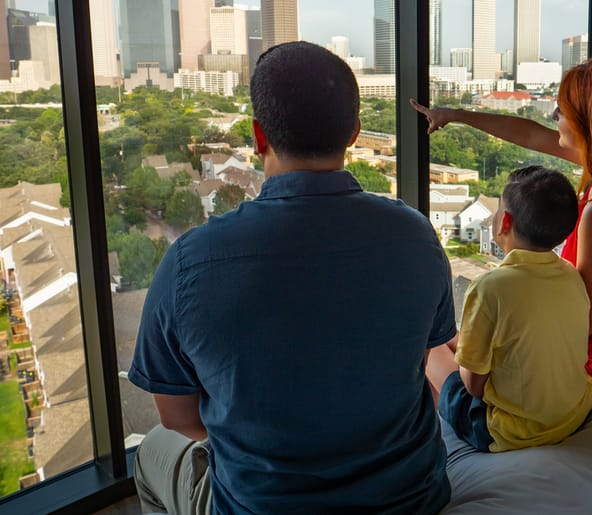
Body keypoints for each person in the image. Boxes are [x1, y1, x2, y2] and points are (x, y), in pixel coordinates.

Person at [129, 41, 456, 514]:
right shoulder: (417, 237)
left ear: (259, 136)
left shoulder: (189, 263)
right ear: (355, 134)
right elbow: (424, 354)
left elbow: (178, 418)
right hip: (410, 502)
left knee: (151, 454)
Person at [411, 58, 592, 400]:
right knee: (460, 338)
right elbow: (529, 134)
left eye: (561, 111)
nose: (553, 117)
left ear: (589, 124)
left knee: (434, 348)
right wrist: (456, 115)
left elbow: (583, 320)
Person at [426, 165, 592, 452]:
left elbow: (473, 388)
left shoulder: (490, 288)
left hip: (512, 431)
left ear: (504, 221)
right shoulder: (570, 274)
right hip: (572, 414)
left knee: (432, 347)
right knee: (459, 339)